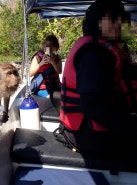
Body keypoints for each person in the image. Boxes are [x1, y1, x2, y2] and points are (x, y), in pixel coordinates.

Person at [56, 0, 137, 158]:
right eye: (113, 18)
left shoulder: (103, 49)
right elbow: (93, 108)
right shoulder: (93, 54)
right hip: (86, 134)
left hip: (89, 129)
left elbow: (127, 72)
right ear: (97, 22)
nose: (120, 22)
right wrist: (131, 125)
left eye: (121, 18)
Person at [29, 35, 62, 101]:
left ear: (55, 47)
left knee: (68, 94)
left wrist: (53, 62)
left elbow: (59, 71)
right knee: (61, 96)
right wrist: (41, 64)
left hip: (56, 86)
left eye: (51, 46)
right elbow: (30, 74)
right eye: (47, 45)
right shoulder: (38, 57)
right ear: (44, 45)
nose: (49, 48)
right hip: (42, 88)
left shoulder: (57, 58)